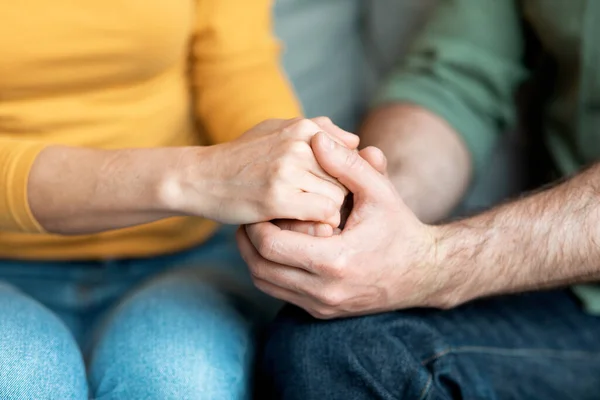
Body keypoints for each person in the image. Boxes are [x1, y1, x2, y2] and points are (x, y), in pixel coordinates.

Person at [0, 1, 359, 399]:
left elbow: (235, 66)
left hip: (186, 254)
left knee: (178, 380)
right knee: (21, 381)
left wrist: (300, 194)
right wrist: (196, 176)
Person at [243, 1, 600, 398]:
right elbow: (454, 80)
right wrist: (362, 206)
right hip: (568, 302)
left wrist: (433, 263)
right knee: (334, 348)